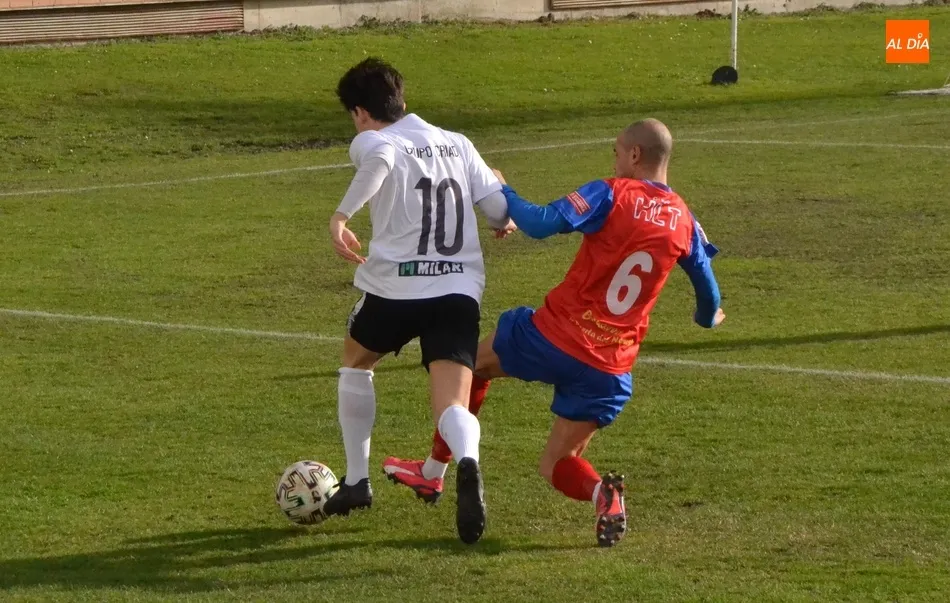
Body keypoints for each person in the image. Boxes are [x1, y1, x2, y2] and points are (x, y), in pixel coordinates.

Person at [383, 118, 725, 547]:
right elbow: (709, 294)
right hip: (609, 368)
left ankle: (433, 472)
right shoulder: (683, 218)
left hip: (552, 337)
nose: (615, 161)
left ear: (635, 154)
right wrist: (706, 318)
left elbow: (541, 223)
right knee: (556, 464)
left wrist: (502, 190)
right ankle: (602, 495)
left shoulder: (612, 192)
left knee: (471, 367)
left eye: (618, 152)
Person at [323, 57, 515, 546]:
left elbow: (380, 162)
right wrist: (497, 198)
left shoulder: (375, 140)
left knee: (355, 363)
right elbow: (498, 211)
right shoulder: (459, 142)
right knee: (451, 403)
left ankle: (356, 482)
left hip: (395, 289)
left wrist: (342, 216)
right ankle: (467, 460)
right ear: (402, 99)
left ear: (360, 112)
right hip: (457, 291)